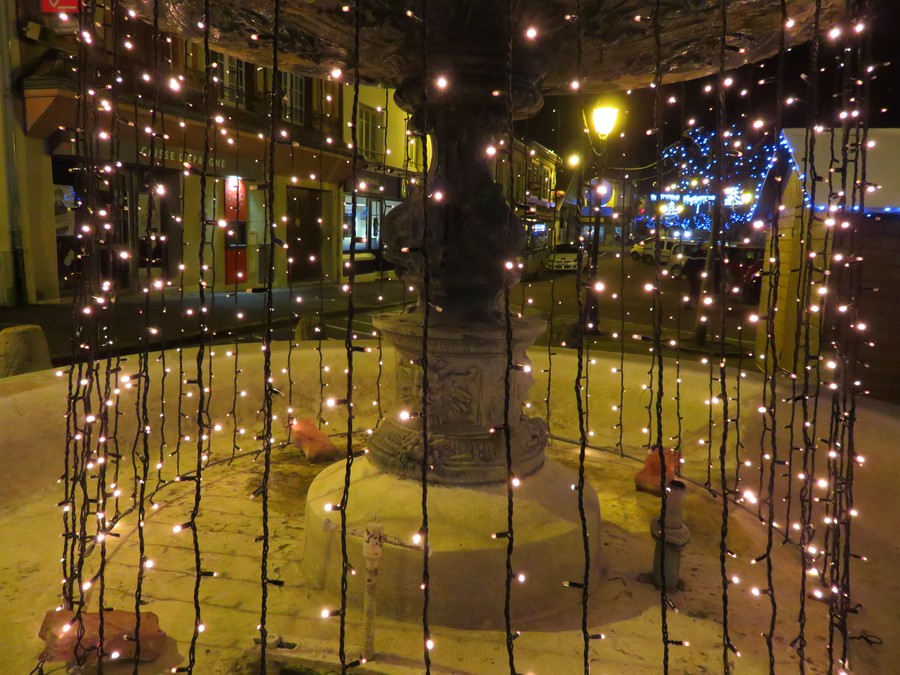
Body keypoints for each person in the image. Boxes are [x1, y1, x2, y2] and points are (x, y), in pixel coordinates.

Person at [682, 243, 709, 309]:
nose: (706, 247)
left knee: (697, 289)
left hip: (698, 275)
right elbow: (687, 264)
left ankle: (696, 302)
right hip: (694, 275)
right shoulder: (695, 255)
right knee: (695, 289)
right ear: (700, 247)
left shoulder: (706, 255)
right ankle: (692, 302)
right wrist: (684, 273)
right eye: (704, 246)